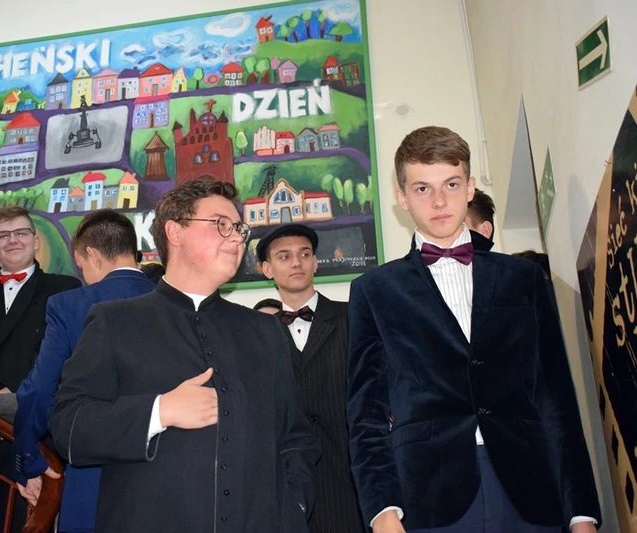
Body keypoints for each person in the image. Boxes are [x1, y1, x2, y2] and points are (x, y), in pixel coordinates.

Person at [346, 126, 601, 533]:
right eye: (423, 188)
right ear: (402, 198)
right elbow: (366, 413)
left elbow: (556, 398)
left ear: (470, 188)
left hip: (531, 488)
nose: (439, 200)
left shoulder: (524, 279)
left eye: (451, 184)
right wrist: (382, 510)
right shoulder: (374, 291)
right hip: (428, 496)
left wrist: (581, 511)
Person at [48, 178, 320, 532]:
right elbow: (68, 427)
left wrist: (294, 506)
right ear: (175, 232)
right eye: (221, 224)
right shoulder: (115, 321)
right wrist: (160, 411)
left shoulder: (266, 331)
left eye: (239, 228)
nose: (237, 238)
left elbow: (295, 439)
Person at [11, 209, 156, 533]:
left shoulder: (68, 305)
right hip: (164, 472)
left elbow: (40, 388)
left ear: (92, 255)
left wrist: (27, 455)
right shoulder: (174, 303)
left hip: (91, 471)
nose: (84, 274)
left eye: (81, 265)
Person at [0, 206, 80, 531]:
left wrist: (7, 398)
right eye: (3, 235)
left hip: (33, 431)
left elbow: (64, 355)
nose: (13, 241)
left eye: (21, 233)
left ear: (36, 241)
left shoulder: (64, 288)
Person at [258, 223, 365, 533]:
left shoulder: (354, 317)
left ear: (316, 262)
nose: (296, 262)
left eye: (304, 254)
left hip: (349, 479)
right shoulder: (255, 335)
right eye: (284, 256)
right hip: (285, 486)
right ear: (267, 269)